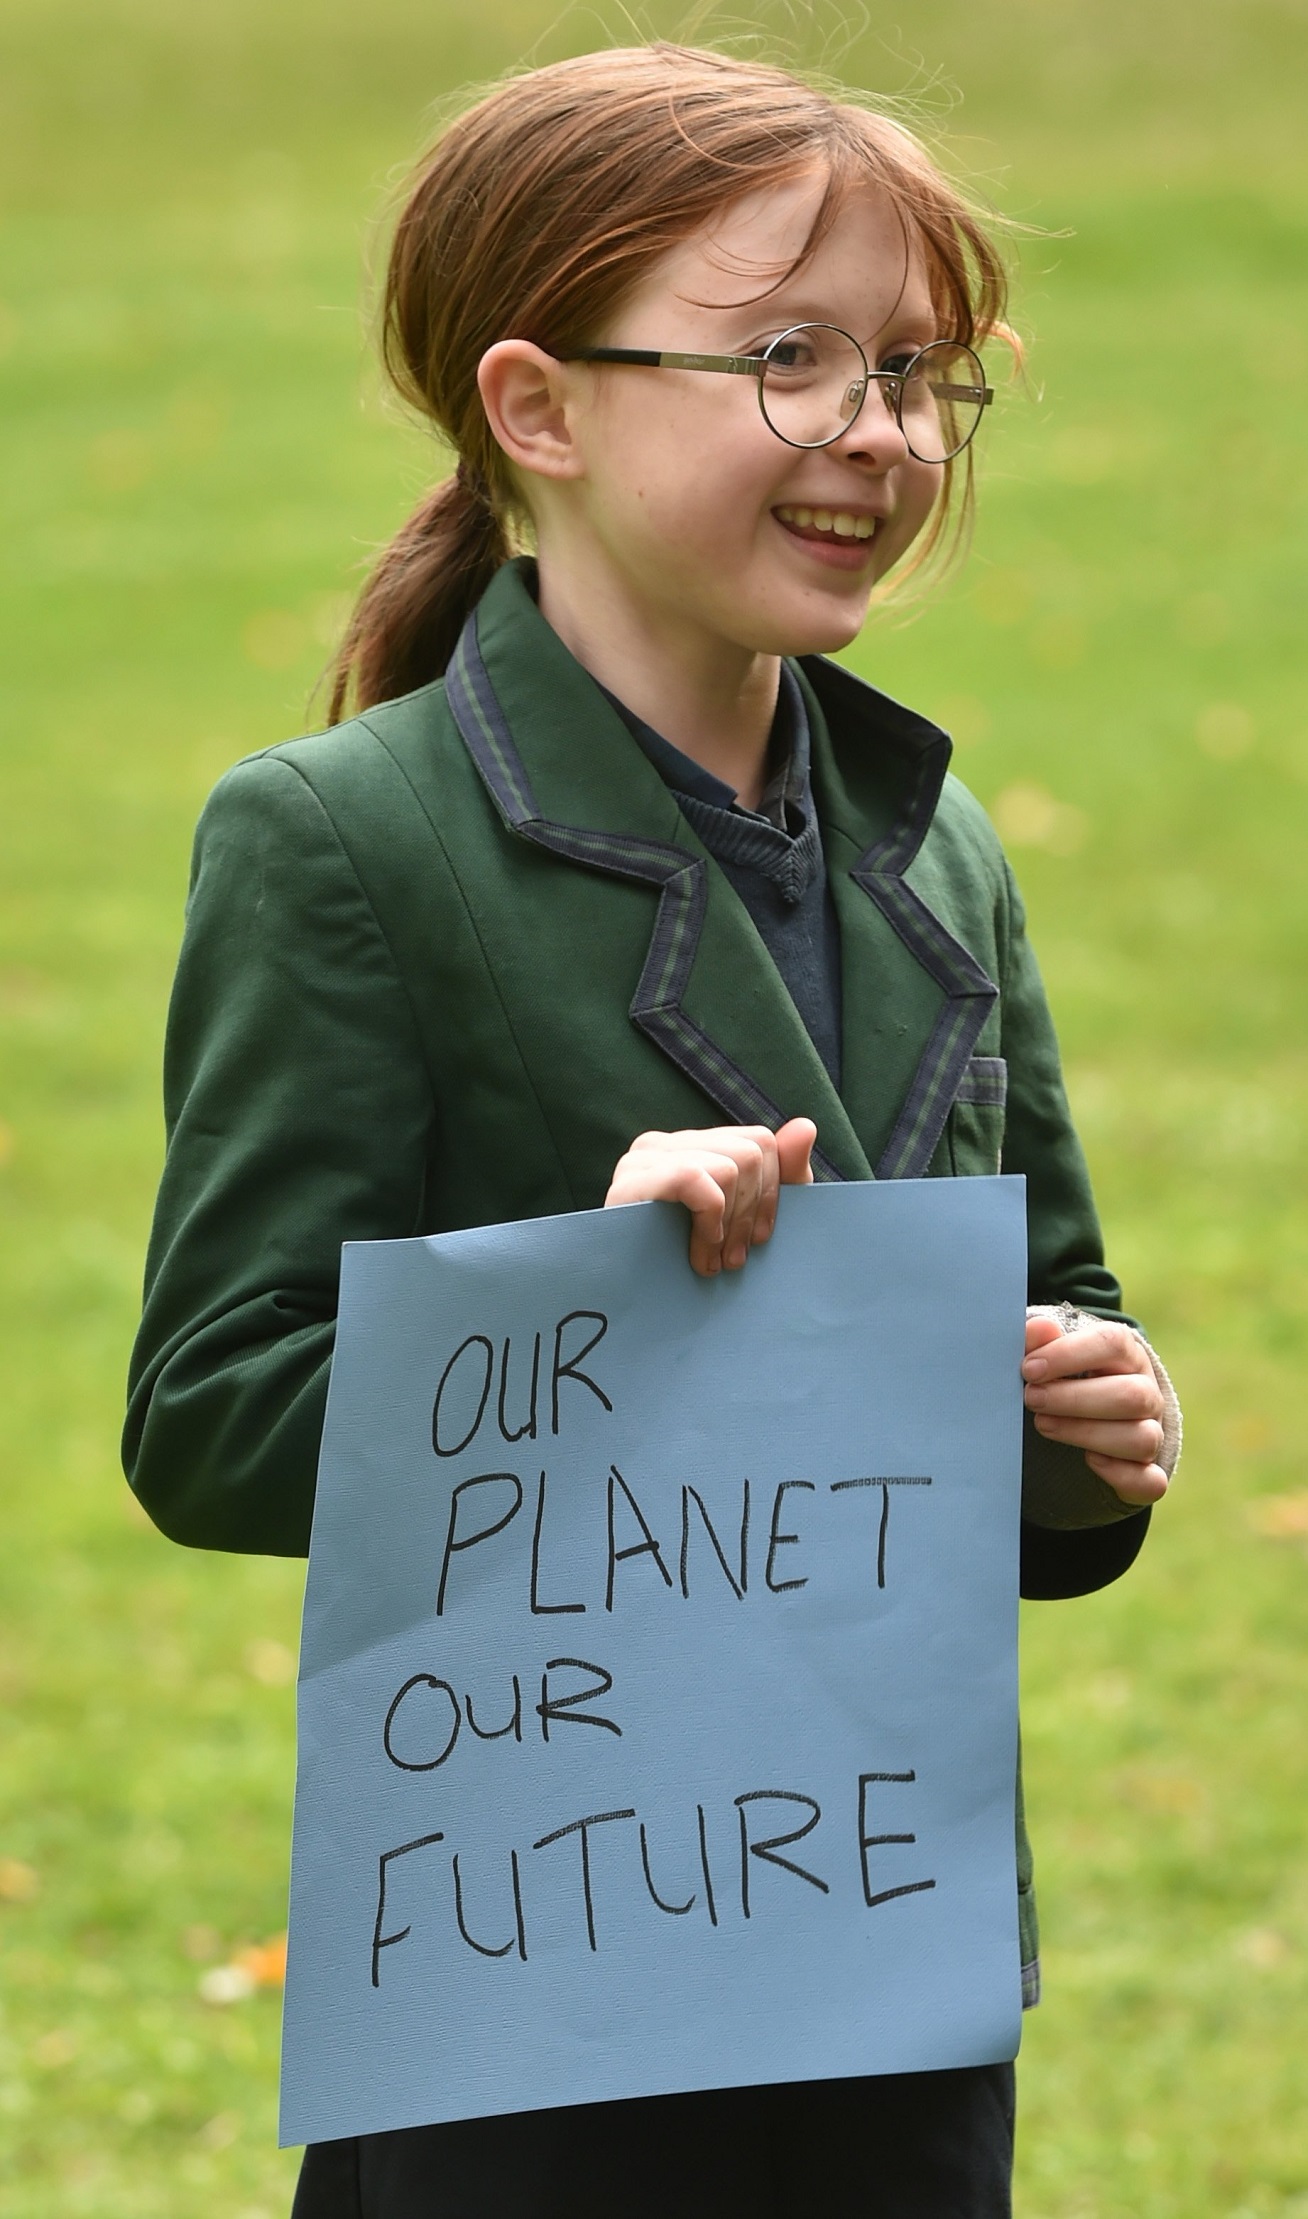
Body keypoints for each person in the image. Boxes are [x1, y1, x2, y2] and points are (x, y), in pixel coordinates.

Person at [123, 43, 1181, 2219]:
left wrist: (1088, 1415)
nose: (876, 435)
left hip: (886, 1955)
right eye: (786, 360)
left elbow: (1037, 1314)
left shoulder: (940, 838)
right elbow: (210, 1418)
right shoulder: (339, 842)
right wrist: (575, 1287)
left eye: (916, 369)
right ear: (541, 409)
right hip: (529, 1986)